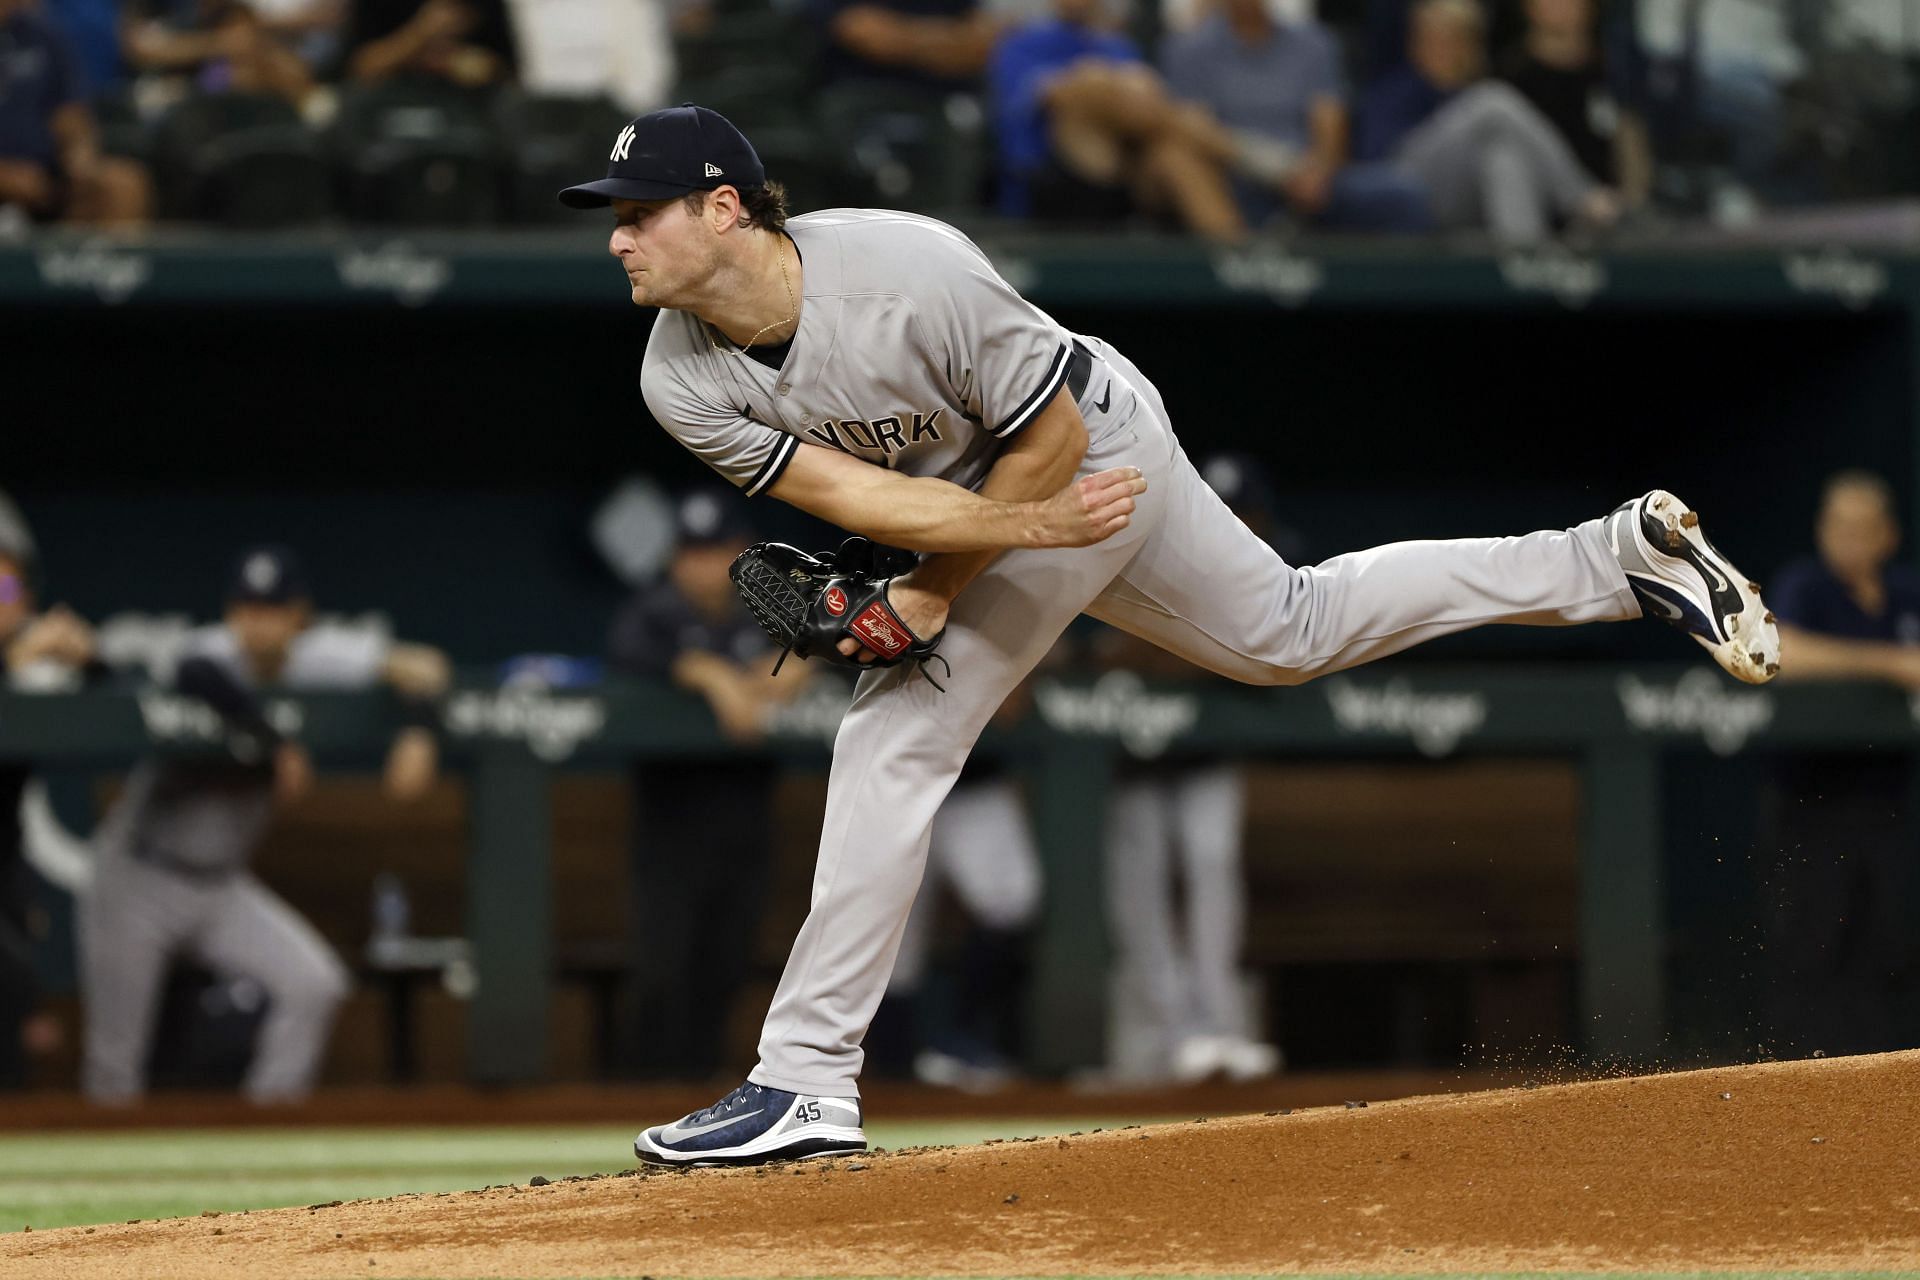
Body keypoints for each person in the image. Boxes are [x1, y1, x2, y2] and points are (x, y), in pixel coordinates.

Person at [557, 103, 1780, 1166]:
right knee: (1287, 629)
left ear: (723, 208)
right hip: (1007, 495)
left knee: (893, 738)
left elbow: (1050, 448)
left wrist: (934, 589)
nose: (615, 233)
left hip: (1088, 443)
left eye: (637, 209)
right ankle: (1613, 558)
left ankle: (805, 1078)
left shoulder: (904, 268)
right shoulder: (678, 373)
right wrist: (938, 560)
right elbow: (860, 500)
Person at [80, 545, 450, 1105]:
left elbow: (427, 667)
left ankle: (266, 1130)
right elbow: (191, 669)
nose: (256, 624)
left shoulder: (318, 657)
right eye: (246, 609)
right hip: (138, 875)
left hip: (221, 886)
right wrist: (272, 740)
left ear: (298, 615)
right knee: (114, 1067)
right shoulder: (211, 651)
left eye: (272, 609)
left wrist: (419, 728)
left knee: (314, 983)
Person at [606, 488, 809, 1079]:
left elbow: (834, 638)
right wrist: (709, 675)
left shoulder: (766, 608)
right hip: (673, 817)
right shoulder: (654, 612)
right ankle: (637, 1091)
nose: (701, 563)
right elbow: (626, 655)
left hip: (747, 812)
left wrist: (801, 662)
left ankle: (703, 1090)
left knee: (728, 958)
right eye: (691, 551)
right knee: (664, 963)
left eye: (715, 549)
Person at [1099, 454, 1287, 1086]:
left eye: (1245, 513)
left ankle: (1222, 1030)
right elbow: (1105, 652)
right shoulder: (1156, 547)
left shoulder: (1272, 565)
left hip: (1205, 759)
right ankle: (1170, 1035)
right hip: (1132, 760)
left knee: (1212, 868)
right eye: (1226, 510)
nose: (1238, 523)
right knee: (1142, 888)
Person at [1758, 470, 1920, 1056]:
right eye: (1837, 526)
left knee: (1891, 950)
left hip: (1889, 807)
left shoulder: (1905, 594)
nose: (1848, 540)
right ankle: (1801, 1090)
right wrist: (1891, 664)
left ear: (1888, 536)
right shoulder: (1806, 585)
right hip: (1811, 805)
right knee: (1811, 949)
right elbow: (1778, 650)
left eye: (1862, 529)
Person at [989, 0, 1324, 240]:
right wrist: (1106, 83)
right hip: (1058, 177)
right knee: (1095, 84)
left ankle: (1244, 263)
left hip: (1129, 177)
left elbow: (1150, 106)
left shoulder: (1117, 45)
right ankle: (1258, 158)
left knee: (1175, 157)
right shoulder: (1022, 43)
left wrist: (1134, 86)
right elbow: (1043, 98)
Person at [1157, 0, 1433, 234]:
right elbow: (1195, 130)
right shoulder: (1188, 49)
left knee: (1404, 194)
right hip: (1237, 181)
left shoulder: (1314, 43)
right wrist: (1274, 171)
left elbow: (1330, 122)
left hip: (1313, 181)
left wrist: (1317, 174)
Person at [1353, 0, 1618, 243]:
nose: (1443, 50)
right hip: (1406, 187)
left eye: (1454, 40)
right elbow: (1379, 165)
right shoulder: (1395, 91)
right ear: (1415, 44)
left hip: (1460, 200)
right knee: (1493, 102)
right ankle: (1582, 197)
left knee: (1503, 156)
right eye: (1433, 40)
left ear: (1471, 45)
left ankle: (1525, 264)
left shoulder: (1468, 88)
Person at [1, 516, 102, 1087]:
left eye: (5, 590)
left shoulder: (31, 666)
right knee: (12, 978)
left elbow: (126, 700)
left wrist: (91, 659)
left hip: (4, 861)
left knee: (15, 1002)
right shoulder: (15, 666)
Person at [0, 0, 150, 226]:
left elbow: (70, 115)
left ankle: (91, 261)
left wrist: (80, 159)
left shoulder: (42, 34)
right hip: (10, 175)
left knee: (122, 185)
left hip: (45, 177)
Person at [1498, 0, 1651, 210]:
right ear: (1529, 8)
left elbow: (1630, 141)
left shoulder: (1611, 71)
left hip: (1607, 214)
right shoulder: (1510, 77)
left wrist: (1633, 202)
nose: (1563, 6)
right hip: (1537, 213)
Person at [344, 0, 517, 87]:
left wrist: (468, 62)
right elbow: (360, 68)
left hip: (469, 107)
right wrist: (421, 32)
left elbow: (507, 70)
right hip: (390, 102)